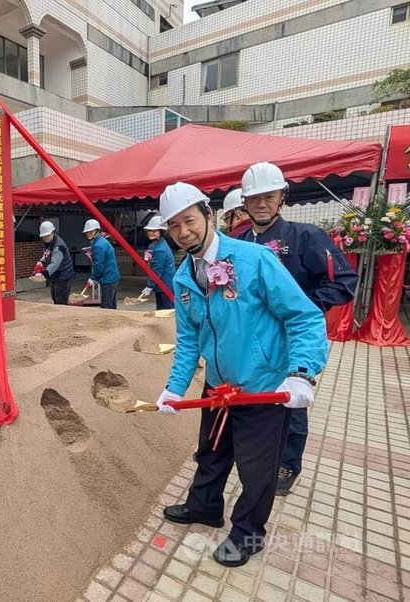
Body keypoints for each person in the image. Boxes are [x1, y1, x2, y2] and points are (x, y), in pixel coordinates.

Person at [155, 182, 328, 567]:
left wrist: (302, 373)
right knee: (211, 454)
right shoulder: (185, 278)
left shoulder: (253, 260)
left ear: (209, 216)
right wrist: (173, 389)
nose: (184, 232)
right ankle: (204, 506)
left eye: (189, 221)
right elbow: (188, 342)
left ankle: (248, 534)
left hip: (261, 389)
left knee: (257, 470)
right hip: (218, 387)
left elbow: (304, 317)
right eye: (174, 226)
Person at [238, 161, 357, 496]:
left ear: (282, 198)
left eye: (269, 196)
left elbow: (344, 282)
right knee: (252, 396)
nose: (262, 204)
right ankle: (252, 452)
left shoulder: (307, 237)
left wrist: (303, 308)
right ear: (245, 202)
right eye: (254, 198)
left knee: (291, 398)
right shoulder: (239, 241)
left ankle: (288, 462)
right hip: (250, 339)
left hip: (293, 339)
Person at [139, 215, 176, 310]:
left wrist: (149, 286)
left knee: (166, 312)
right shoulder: (155, 245)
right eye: (149, 231)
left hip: (165, 286)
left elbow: (157, 270)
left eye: (154, 231)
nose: (151, 233)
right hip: (162, 284)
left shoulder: (160, 249)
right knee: (160, 311)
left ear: (161, 232)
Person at [83, 219, 120, 309]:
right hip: (113, 276)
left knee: (106, 306)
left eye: (91, 232)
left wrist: (93, 278)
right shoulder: (101, 241)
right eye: (87, 232)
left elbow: (99, 265)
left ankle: (107, 322)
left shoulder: (98, 245)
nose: (89, 234)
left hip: (108, 278)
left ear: (97, 231)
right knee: (112, 304)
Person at [35, 220, 74, 305]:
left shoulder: (58, 246)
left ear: (53, 232)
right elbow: (47, 254)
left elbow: (55, 263)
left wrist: (44, 273)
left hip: (63, 276)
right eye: (44, 236)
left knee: (60, 300)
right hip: (55, 276)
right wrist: (41, 261)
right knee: (55, 297)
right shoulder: (48, 243)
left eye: (47, 236)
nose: (45, 238)